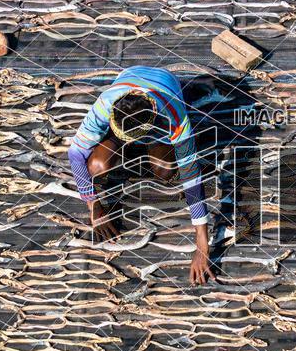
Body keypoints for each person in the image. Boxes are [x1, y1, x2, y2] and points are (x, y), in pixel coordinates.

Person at [68, 66, 214, 285]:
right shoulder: (106, 103)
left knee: (165, 171)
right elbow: (75, 153)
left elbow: (191, 175)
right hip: (130, 82)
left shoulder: (174, 116)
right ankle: (126, 145)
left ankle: (148, 147)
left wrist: (202, 244)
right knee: (97, 165)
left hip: (163, 94)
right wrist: (94, 205)